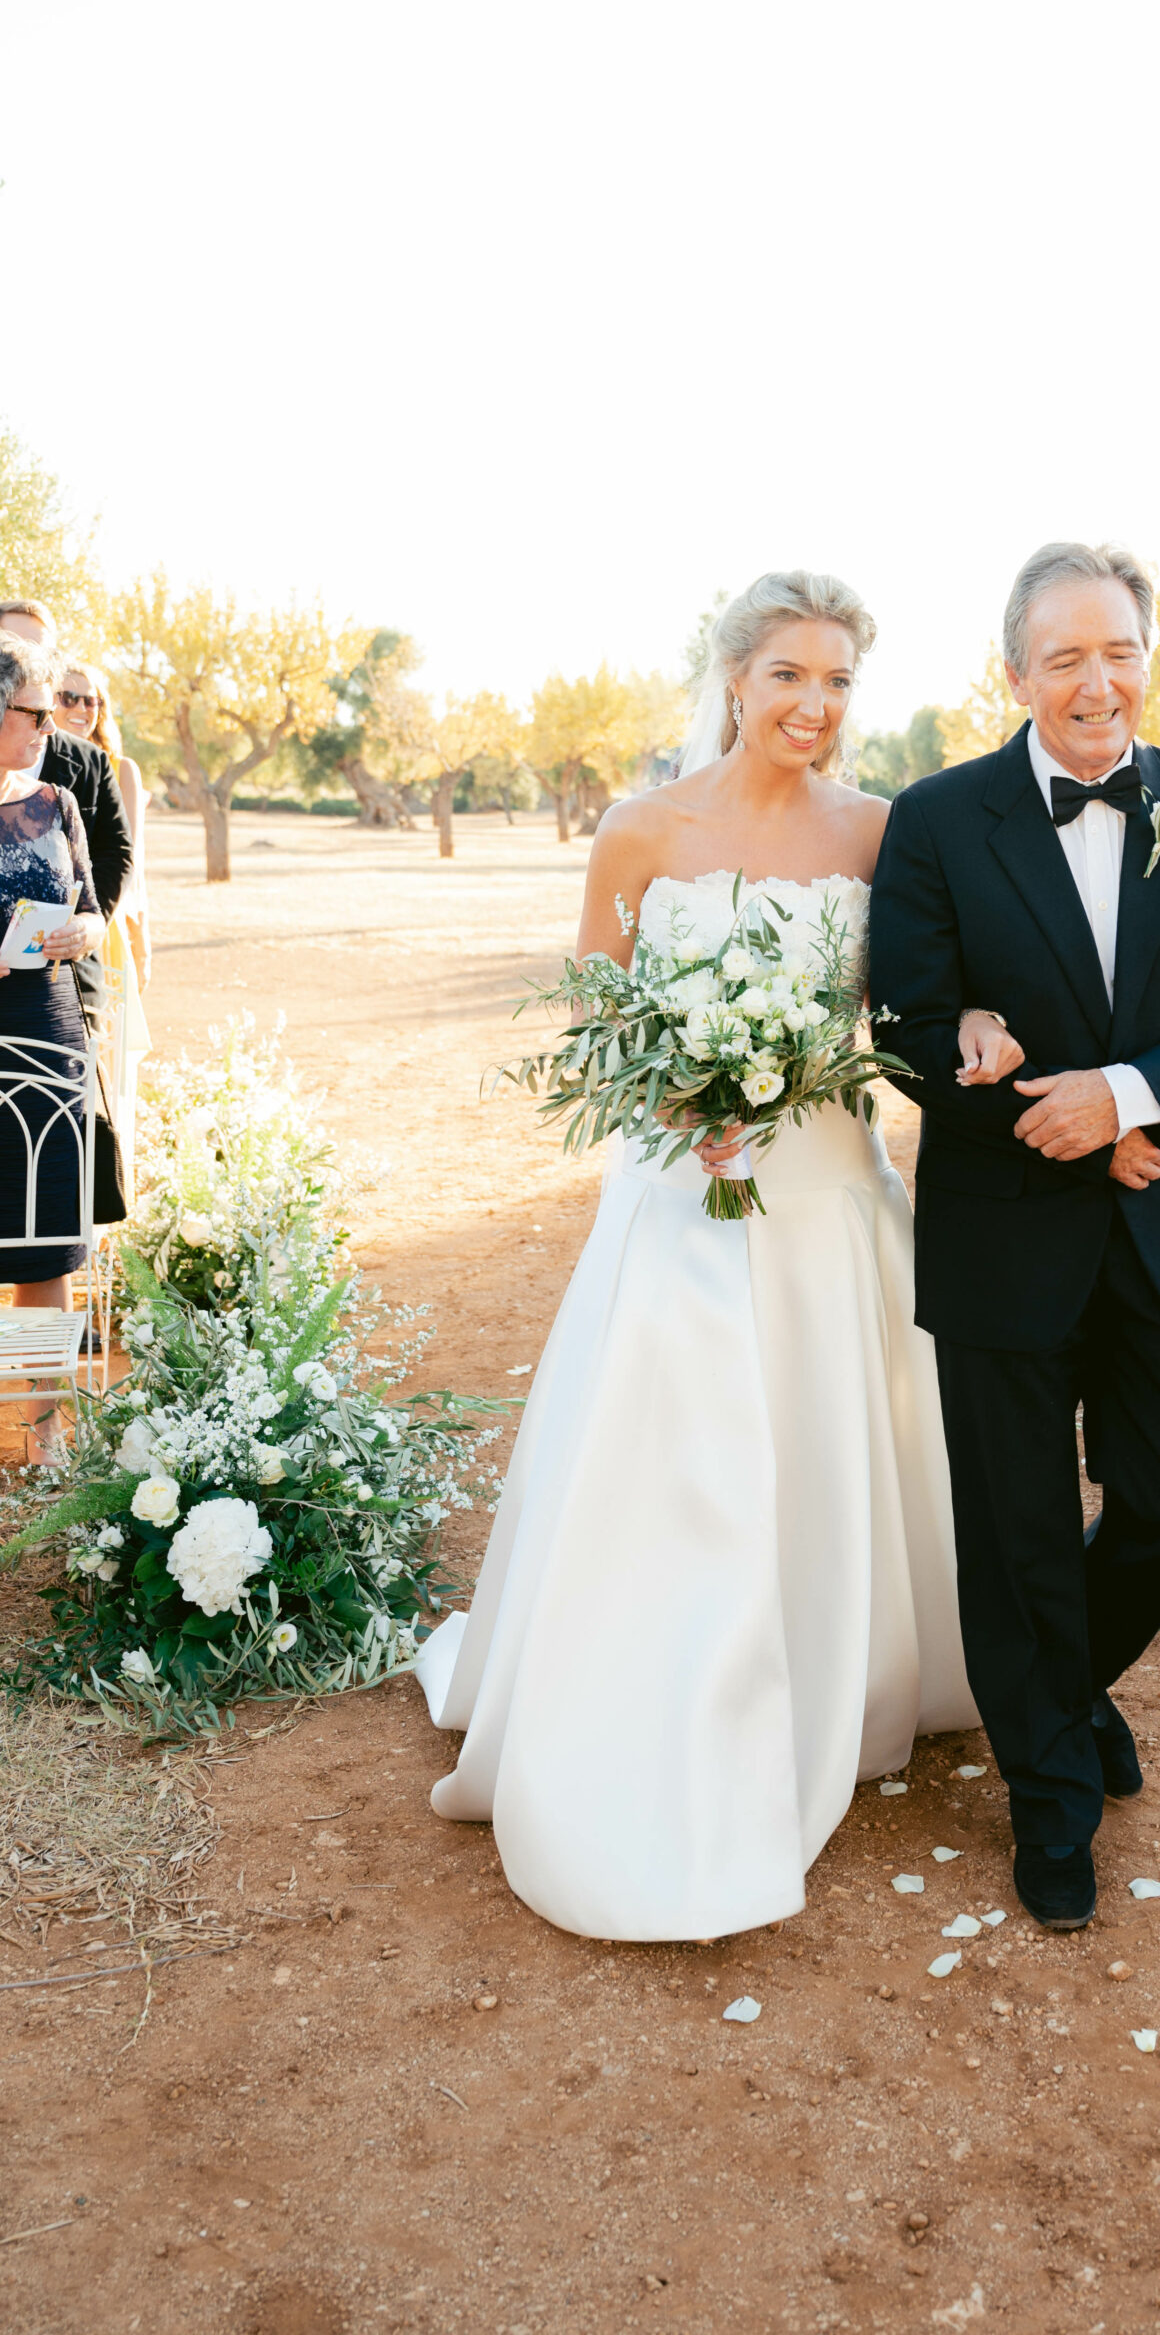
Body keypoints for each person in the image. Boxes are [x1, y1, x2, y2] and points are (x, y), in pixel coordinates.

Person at [416, 571, 978, 1940]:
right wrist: (680, 1096)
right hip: (680, 1194)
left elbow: (906, 1007)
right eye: (787, 674)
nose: (814, 704)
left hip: (831, 1191)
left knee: (832, 1427)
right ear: (733, 679)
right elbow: (594, 1018)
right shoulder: (639, 829)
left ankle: (834, 1678)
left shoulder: (879, 832)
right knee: (673, 1447)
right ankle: (649, 1689)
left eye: (838, 680)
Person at [869, 542, 1160, 1932]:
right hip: (1001, 1232)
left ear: (1144, 660)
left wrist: (1121, 1098)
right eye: (1061, 656)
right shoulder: (934, 820)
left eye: (1114, 651)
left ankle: (1055, 1693)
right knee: (1016, 1534)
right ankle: (1047, 1800)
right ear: (1013, 674)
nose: (1092, 680)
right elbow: (907, 1024)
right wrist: (989, 1064)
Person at [0, 636, 105, 1457]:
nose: (49, 726)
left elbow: (97, 908)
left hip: (48, 1037)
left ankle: (43, 1435)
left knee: (45, 1247)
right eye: (33, 712)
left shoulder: (57, 802)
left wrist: (80, 929)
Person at [54, 660, 152, 1165]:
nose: (81, 708)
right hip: (61, 929)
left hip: (103, 923)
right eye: (68, 697)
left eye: (90, 700)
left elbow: (128, 862)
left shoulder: (115, 768)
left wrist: (141, 938)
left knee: (103, 1063)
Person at [0, 605, 131, 927]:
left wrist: (80, 926)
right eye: (14, 642)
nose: (27, 656)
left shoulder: (88, 763)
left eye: (40, 648)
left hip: (58, 961)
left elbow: (115, 853)